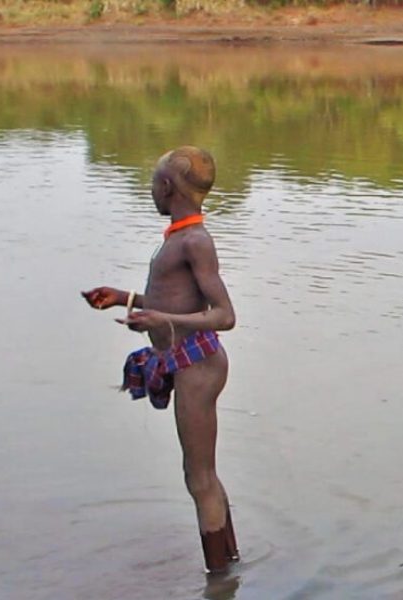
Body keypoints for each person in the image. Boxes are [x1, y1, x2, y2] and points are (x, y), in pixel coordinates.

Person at [81, 146, 240, 573]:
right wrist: (124, 297)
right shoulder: (178, 237)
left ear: (166, 187)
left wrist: (161, 320)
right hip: (189, 362)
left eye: (153, 181)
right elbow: (175, 298)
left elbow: (225, 316)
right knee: (203, 475)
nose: (150, 189)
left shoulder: (195, 241)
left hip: (198, 367)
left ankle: (219, 581)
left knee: (199, 478)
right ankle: (230, 564)